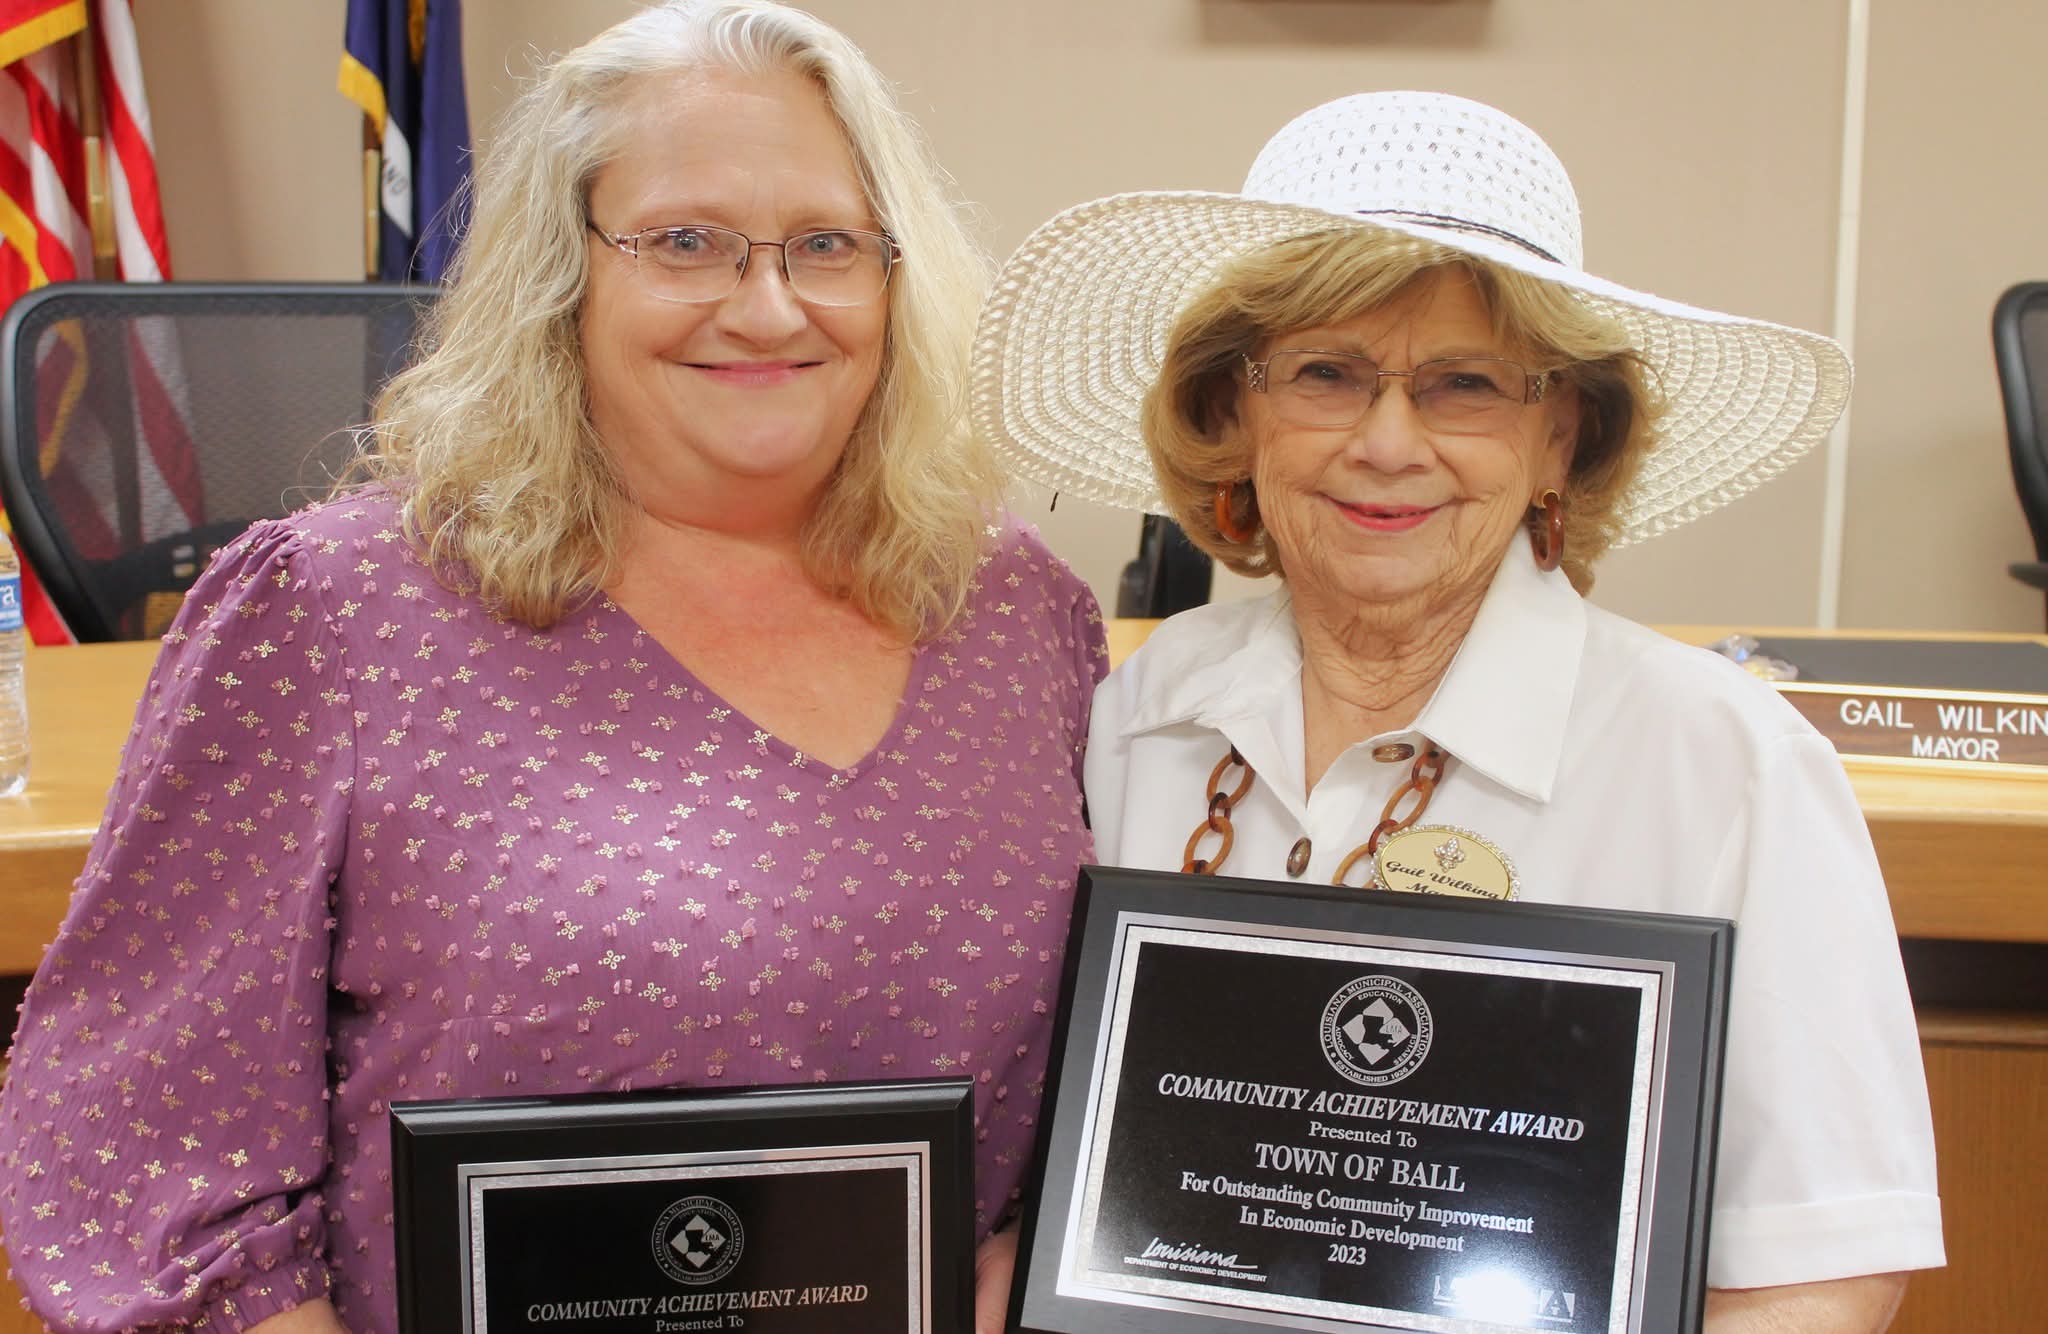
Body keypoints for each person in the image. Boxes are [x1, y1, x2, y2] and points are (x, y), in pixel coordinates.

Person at [0, 3, 1102, 1330]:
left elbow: (1080, 1067)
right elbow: (145, 1141)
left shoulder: (1012, 607)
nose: (768, 305)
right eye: (686, 241)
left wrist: (1044, 1242)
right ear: (562, 270)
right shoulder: (330, 614)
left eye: (827, 244)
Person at [970, 91, 1941, 1329]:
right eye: (1324, 372)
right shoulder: (1133, 712)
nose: (1386, 442)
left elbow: (1819, 1268)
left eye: (1462, 384)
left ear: (1560, 436)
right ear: (1234, 414)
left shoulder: (1725, 765)